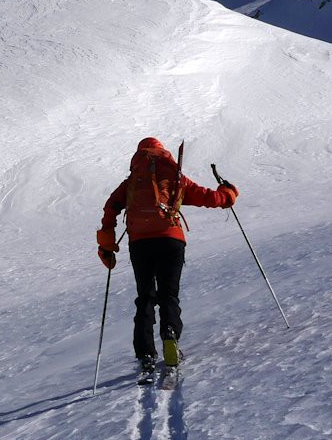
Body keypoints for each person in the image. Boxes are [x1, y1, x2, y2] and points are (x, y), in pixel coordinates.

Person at [97, 137, 238, 377]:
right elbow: (207, 197)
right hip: (171, 239)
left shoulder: (132, 181)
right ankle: (170, 335)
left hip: (140, 242)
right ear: (163, 153)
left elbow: (110, 208)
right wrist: (228, 194)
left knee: (145, 297)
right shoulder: (175, 176)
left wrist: (107, 245)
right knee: (168, 294)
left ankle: (146, 354)